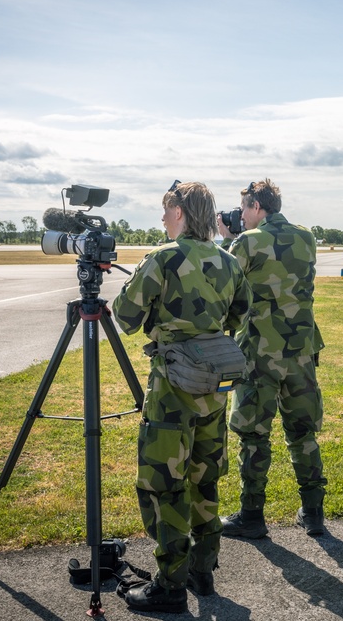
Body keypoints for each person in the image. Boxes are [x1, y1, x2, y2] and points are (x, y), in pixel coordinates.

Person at [111, 180, 252, 613]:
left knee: (163, 485)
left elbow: (124, 316)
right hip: (213, 387)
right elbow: (240, 313)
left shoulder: (164, 258)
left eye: (166, 209)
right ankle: (202, 570)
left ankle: (170, 583)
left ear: (182, 213)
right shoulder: (228, 262)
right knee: (204, 478)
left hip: (173, 388)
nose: (161, 217)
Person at [217, 178, 328, 538]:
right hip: (300, 350)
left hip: (259, 353)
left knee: (253, 435)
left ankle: (251, 515)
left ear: (256, 208)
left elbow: (225, 283)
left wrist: (225, 239)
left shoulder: (248, 241)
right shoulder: (306, 237)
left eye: (246, 209)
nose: (243, 215)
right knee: (303, 432)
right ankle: (313, 512)